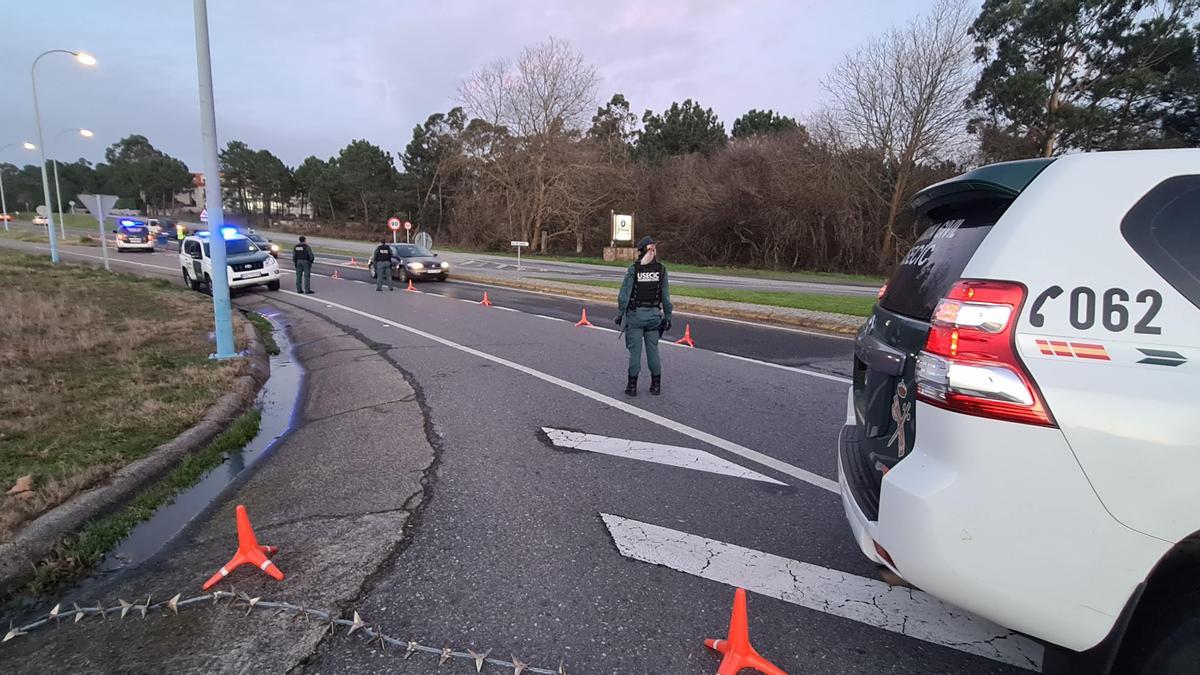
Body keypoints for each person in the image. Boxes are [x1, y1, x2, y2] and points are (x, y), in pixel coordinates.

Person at [616, 236, 672, 396]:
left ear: (640, 252)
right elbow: (666, 298)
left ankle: (632, 387)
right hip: (654, 316)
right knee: (653, 350)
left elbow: (624, 295)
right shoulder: (662, 270)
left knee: (635, 352)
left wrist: (620, 313)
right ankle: (656, 385)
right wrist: (667, 317)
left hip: (635, 316)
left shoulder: (634, 269)